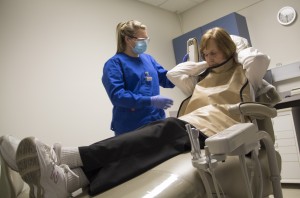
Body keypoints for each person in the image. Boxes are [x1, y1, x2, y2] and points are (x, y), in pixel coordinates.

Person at [0, 27, 276, 197]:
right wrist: (200, 64)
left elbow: (259, 59)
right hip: (189, 128)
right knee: (145, 148)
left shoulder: (247, 74)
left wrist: (236, 50)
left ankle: (65, 156)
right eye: (206, 54)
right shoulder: (201, 78)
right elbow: (175, 74)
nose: (209, 59)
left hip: (216, 130)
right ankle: (70, 180)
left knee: (162, 129)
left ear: (229, 51)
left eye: (214, 53)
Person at [102, 20, 175, 135]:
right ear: (128, 39)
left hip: (157, 122)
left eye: (147, 39)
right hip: (131, 127)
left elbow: (167, 80)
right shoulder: (114, 64)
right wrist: (150, 101)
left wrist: (184, 70)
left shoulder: (149, 59)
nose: (145, 43)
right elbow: (117, 96)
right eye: (142, 40)